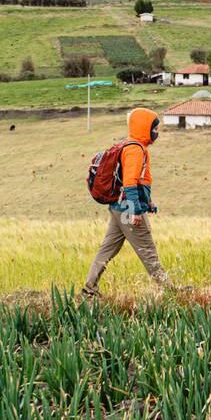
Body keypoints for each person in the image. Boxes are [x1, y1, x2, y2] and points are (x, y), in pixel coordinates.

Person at [83, 106, 168, 298]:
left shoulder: (130, 145)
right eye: (154, 129)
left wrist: (149, 202)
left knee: (107, 249)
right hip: (127, 209)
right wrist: (136, 211)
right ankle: (167, 289)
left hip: (118, 207)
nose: (156, 133)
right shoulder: (135, 150)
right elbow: (129, 183)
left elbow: (137, 181)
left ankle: (90, 288)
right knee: (147, 249)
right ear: (143, 128)